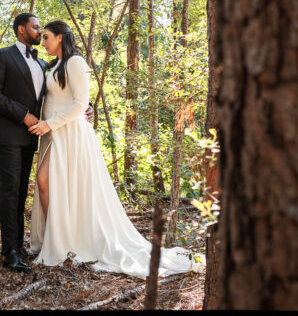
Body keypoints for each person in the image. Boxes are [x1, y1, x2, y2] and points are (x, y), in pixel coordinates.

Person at [27, 20, 203, 279]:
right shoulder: (54, 65)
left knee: (43, 180)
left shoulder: (76, 63)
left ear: (61, 37)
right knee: (54, 184)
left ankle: (61, 242)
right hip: (54, 134)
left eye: (47, 37)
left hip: (70, 133)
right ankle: (59, 239)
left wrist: (49, 124)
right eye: (42, 38)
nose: (43, 42)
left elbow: (80, 104)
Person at [0, 12, 92, 272]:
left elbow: (64, 93)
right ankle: (10, 252)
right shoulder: (2, 56)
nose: (40, 32)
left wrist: (88, 108)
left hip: (33, 137)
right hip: (7, 134)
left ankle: (20, 246)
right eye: (35, 27)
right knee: (8, 193)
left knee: (20, 193)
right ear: (21, 29)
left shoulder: (45, 63)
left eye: (43, 29)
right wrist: (24, 115)